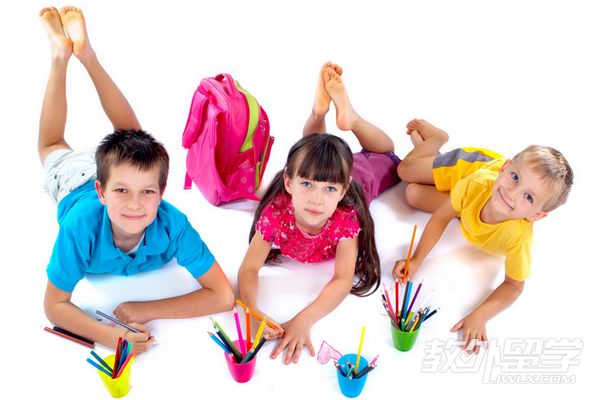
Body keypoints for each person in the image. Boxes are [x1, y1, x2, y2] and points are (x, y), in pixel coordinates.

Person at [38, 6, 234, 355]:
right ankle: (62, 55)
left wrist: (146, 309)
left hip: (117, 169)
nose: (134, 204)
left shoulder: (173, 224)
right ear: (101, 192)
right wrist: (113, 337)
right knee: (52, 144)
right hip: (74, 178)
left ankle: (86, 53)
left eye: (147, 192)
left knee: (135, 142)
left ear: (161, 194)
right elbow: (54, 305)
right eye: (121, 192)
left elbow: (223, 296)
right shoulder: (80, 227)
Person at [238, 62, 401, 364]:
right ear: (289, 183)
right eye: (306, 185)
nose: (316, 200)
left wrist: (303, 320)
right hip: (328, 166)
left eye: (329, 189)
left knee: (388, 154)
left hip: (363, 172)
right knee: (312, 153)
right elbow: (249, 268)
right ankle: (318, 113)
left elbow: (342, 279)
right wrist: (251, 311)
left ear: (342, 190)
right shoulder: (277, 212)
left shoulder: (345, 215)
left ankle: (350, 118)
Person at [394, 118, 574, 353]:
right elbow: (441, 217)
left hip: (466, 199)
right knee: (404, 171)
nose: (512, 193)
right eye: (515, 177)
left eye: (529, 197)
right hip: (467, 168)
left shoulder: (518, 238)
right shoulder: (478, 182)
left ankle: (433, 162)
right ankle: (438, 139)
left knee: (413, 194)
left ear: (536, 215)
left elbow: (514, 286)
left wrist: (480, 315)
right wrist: (417, 259)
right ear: (504, 169)